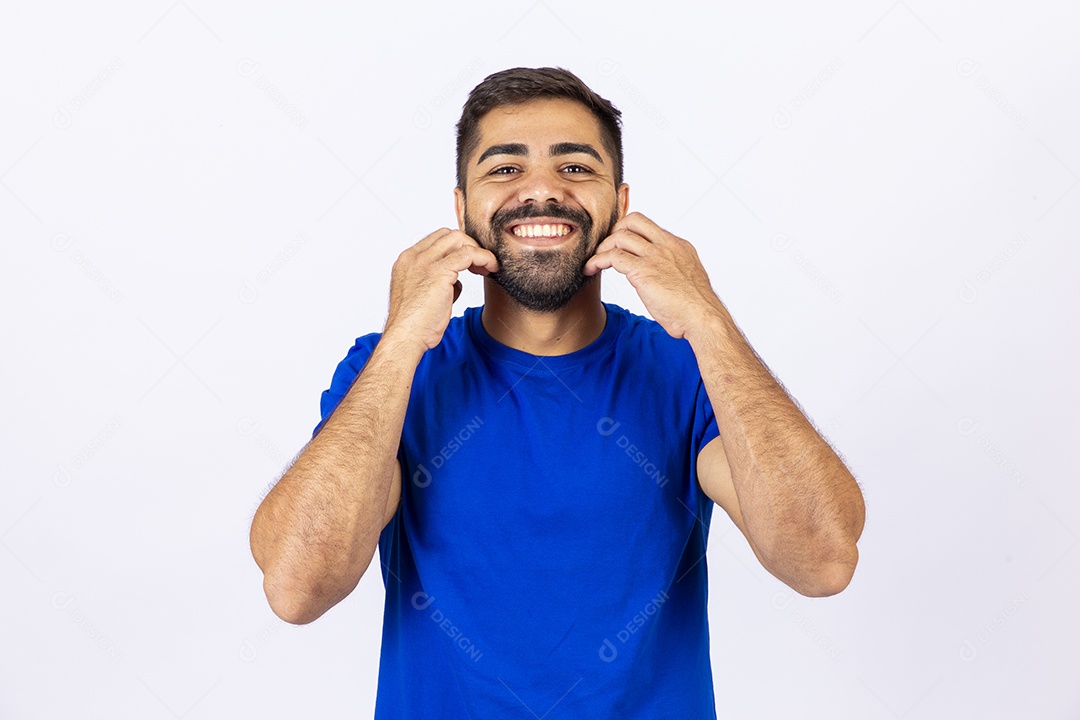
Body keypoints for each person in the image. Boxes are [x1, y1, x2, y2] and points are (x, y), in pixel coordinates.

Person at [250, 66, 865, 717]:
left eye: (575, 168)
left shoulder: (689, 371)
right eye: (504, 169)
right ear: (461, 210)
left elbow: (822, 561)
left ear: (621, 206)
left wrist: (708, 319)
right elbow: (297, 586)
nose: (541, 190)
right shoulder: (391, 374)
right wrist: (402, 337)